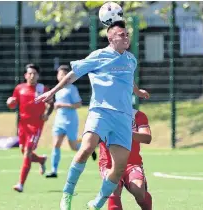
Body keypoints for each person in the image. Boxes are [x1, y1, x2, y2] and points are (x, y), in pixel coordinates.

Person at [35, 20, 150, 210]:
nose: (127, 37)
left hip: (123, 117)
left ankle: (97, 203)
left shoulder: (131, 59)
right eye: (122, 35)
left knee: (119, 167)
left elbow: (127, 79)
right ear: (111, 38)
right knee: (86, 148)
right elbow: (73, 74)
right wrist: (53, 91)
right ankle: (67, 194)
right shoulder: (98, 56)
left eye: (127, 34)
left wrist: (137, 92)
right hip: (101, 111)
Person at [6, 63, 54, 193]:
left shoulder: (42, 89)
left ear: (38, 76)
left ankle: (20, 184)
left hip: (36, 125)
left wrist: (47, 114)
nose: (32, 76)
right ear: (25, 75)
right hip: (23, 125)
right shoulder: (19, 88)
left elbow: (51, 103)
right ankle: (41, 160)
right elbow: (13, 103)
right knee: (24, 151)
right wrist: (10, 103)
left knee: (27, 152)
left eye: (34, 74)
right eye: (30, 73)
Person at [46, 65, 96, 179]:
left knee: (73, 146)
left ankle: (88, 149)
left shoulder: (72, 89)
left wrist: (61, 105)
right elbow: (56, 104)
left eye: (63, 74)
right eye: (59, 74)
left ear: (68, 77)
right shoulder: (57, 89)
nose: (61, 76)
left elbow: (78, 104)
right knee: (56, 144)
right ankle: (54, 170)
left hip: (70, 121)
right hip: (59, 120)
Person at [99, 108, 152, 210]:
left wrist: (125, 133)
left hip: (132, 163)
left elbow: (147, 138)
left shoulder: (137, 115)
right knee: (114, 188)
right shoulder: (102, 115)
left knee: (139, 190)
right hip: (109, 164)